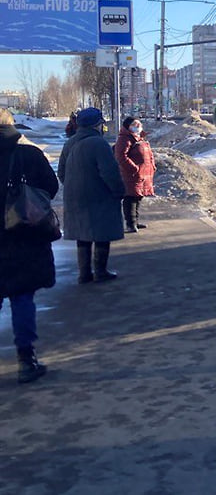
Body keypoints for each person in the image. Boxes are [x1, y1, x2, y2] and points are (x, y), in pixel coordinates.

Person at [0, 108, 58, 383]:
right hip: (24, 235)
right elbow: (51, 186)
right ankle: (26, 360)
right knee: (22, 298)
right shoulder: (29, 155)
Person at [58, 107, 124, 284]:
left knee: (83, 235)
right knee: (102, 233)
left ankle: (84, 274)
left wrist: (75, 186)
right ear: (96, 125)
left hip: (75, 198)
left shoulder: (69, 143)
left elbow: (61, 173)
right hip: (99, 197)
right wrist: (118, 191)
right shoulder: (99, 144)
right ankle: (101, 271)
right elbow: (110, 173)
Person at [114, 116, 156, 233]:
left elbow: (149, 154)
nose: (137, 126)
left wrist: (152, 166)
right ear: (128, 126)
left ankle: (136, 221)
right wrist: (134, 169)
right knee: (130, 198)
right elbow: (121, 156)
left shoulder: (140, 138)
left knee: (138, 197)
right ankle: (130, 223)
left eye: (138, 124)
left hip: (143, 174)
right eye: (134, 124)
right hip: (132, 174)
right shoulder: (125, 139)